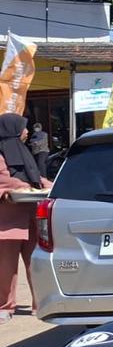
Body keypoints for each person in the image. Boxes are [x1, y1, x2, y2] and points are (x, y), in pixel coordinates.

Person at [0, 115, 51, 322]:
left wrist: (51, 185)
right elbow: (4, 179)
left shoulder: (23, 151)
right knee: (6, 266)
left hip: (31, 216)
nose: (27, 132)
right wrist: (23, 187)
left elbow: (35, 177)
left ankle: (40, 304)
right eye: (23, 128)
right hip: (7, 220)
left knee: (35, 263)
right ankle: (5, 306)